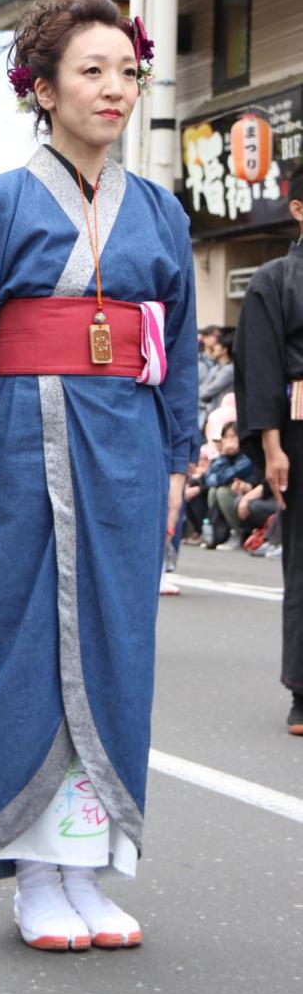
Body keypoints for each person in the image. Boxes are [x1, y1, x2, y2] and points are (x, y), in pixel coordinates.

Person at [0, 0, 198, 952]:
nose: (114, 88)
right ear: (42, 85)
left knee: (119, 641)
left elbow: (171, 344)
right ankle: (34, 870)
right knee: (28, 639)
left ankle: (90, 863)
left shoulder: (158, 213)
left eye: (127, 71)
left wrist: (174, 460)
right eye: (91, 70)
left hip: (122, 442)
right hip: (22, 439)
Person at [234, 160, 303, 736]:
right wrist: (272, 446)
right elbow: (261, 368)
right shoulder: (275, 279)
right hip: (301, 430)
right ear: (299, 211)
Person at [198, 331, 234, 434]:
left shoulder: (229, 370)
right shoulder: (216, 367)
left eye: (218, 345)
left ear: (225, 350)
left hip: (220, 414)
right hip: (210, 411)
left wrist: (197, 394)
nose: (215, 347)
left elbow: (208, 390)